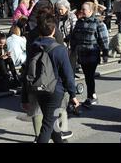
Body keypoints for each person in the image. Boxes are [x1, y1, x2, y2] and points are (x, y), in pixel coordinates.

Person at [21, 14, 79, 143]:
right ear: (54, 30)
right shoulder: (59, 49)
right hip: (55, 91)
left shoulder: (33, 47)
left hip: (38, 88)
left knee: (51, 120)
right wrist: (73, 94)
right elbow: (68, 74)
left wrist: (24, 96)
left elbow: (26, 72)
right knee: (47, 124)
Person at [71, 2, 109, 107]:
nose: (82, 11)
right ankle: (92, 95)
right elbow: (74, 37)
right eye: (81, 9)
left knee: (89, 76)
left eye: (84, 9)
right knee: (88, 76)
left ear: (91, 11)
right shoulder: (79, 22)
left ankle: (91, 96)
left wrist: (105, 53)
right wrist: (73, 48)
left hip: (92, 54)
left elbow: (104, 39)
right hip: (81, 54)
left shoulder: (98, 23)